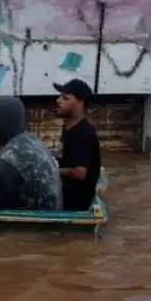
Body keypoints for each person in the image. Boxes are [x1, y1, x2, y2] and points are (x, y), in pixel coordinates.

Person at [53, 78, 102, 211]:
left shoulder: (84, 132)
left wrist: (51, 172)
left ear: (80, 103)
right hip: (64, 192)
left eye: (65, 98)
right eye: (59, 96)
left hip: (75, 202)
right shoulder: (69, 127)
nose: (58, 100)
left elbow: (80, 173)